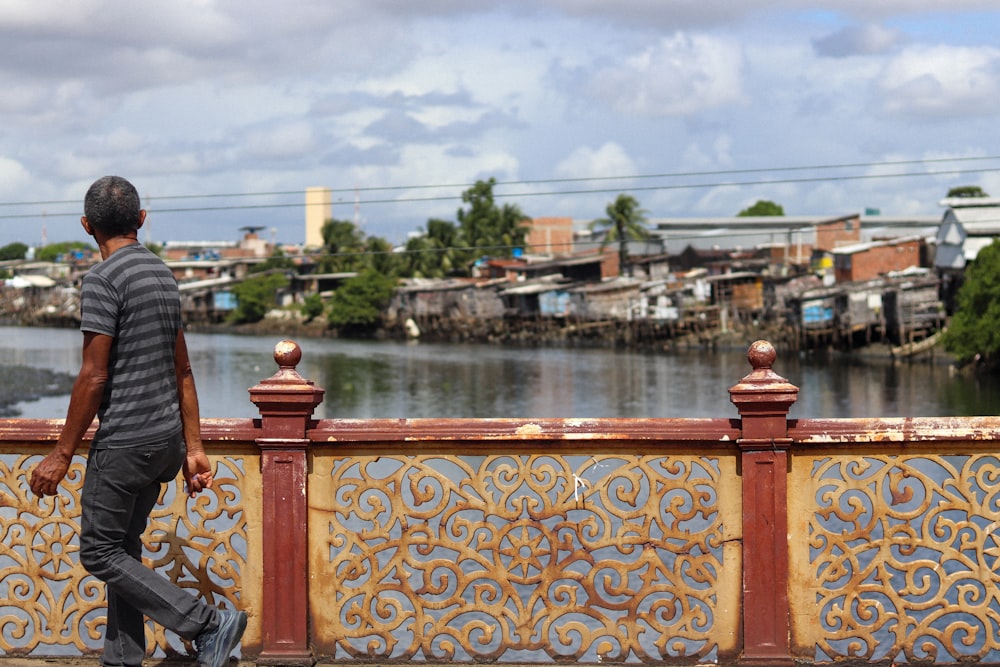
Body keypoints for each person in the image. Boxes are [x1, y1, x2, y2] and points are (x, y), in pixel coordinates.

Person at [29, 176, 246, 667]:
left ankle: (208, 623)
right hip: (165, 442)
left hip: (126, 444)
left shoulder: (103, 280)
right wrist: (194, 448)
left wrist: (62, 453)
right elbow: (183, 369)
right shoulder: (163, 274)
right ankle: (122, 658)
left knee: (97, 553)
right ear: (142, 220)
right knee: (122, 549)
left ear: (87, 226)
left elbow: (93, 373)